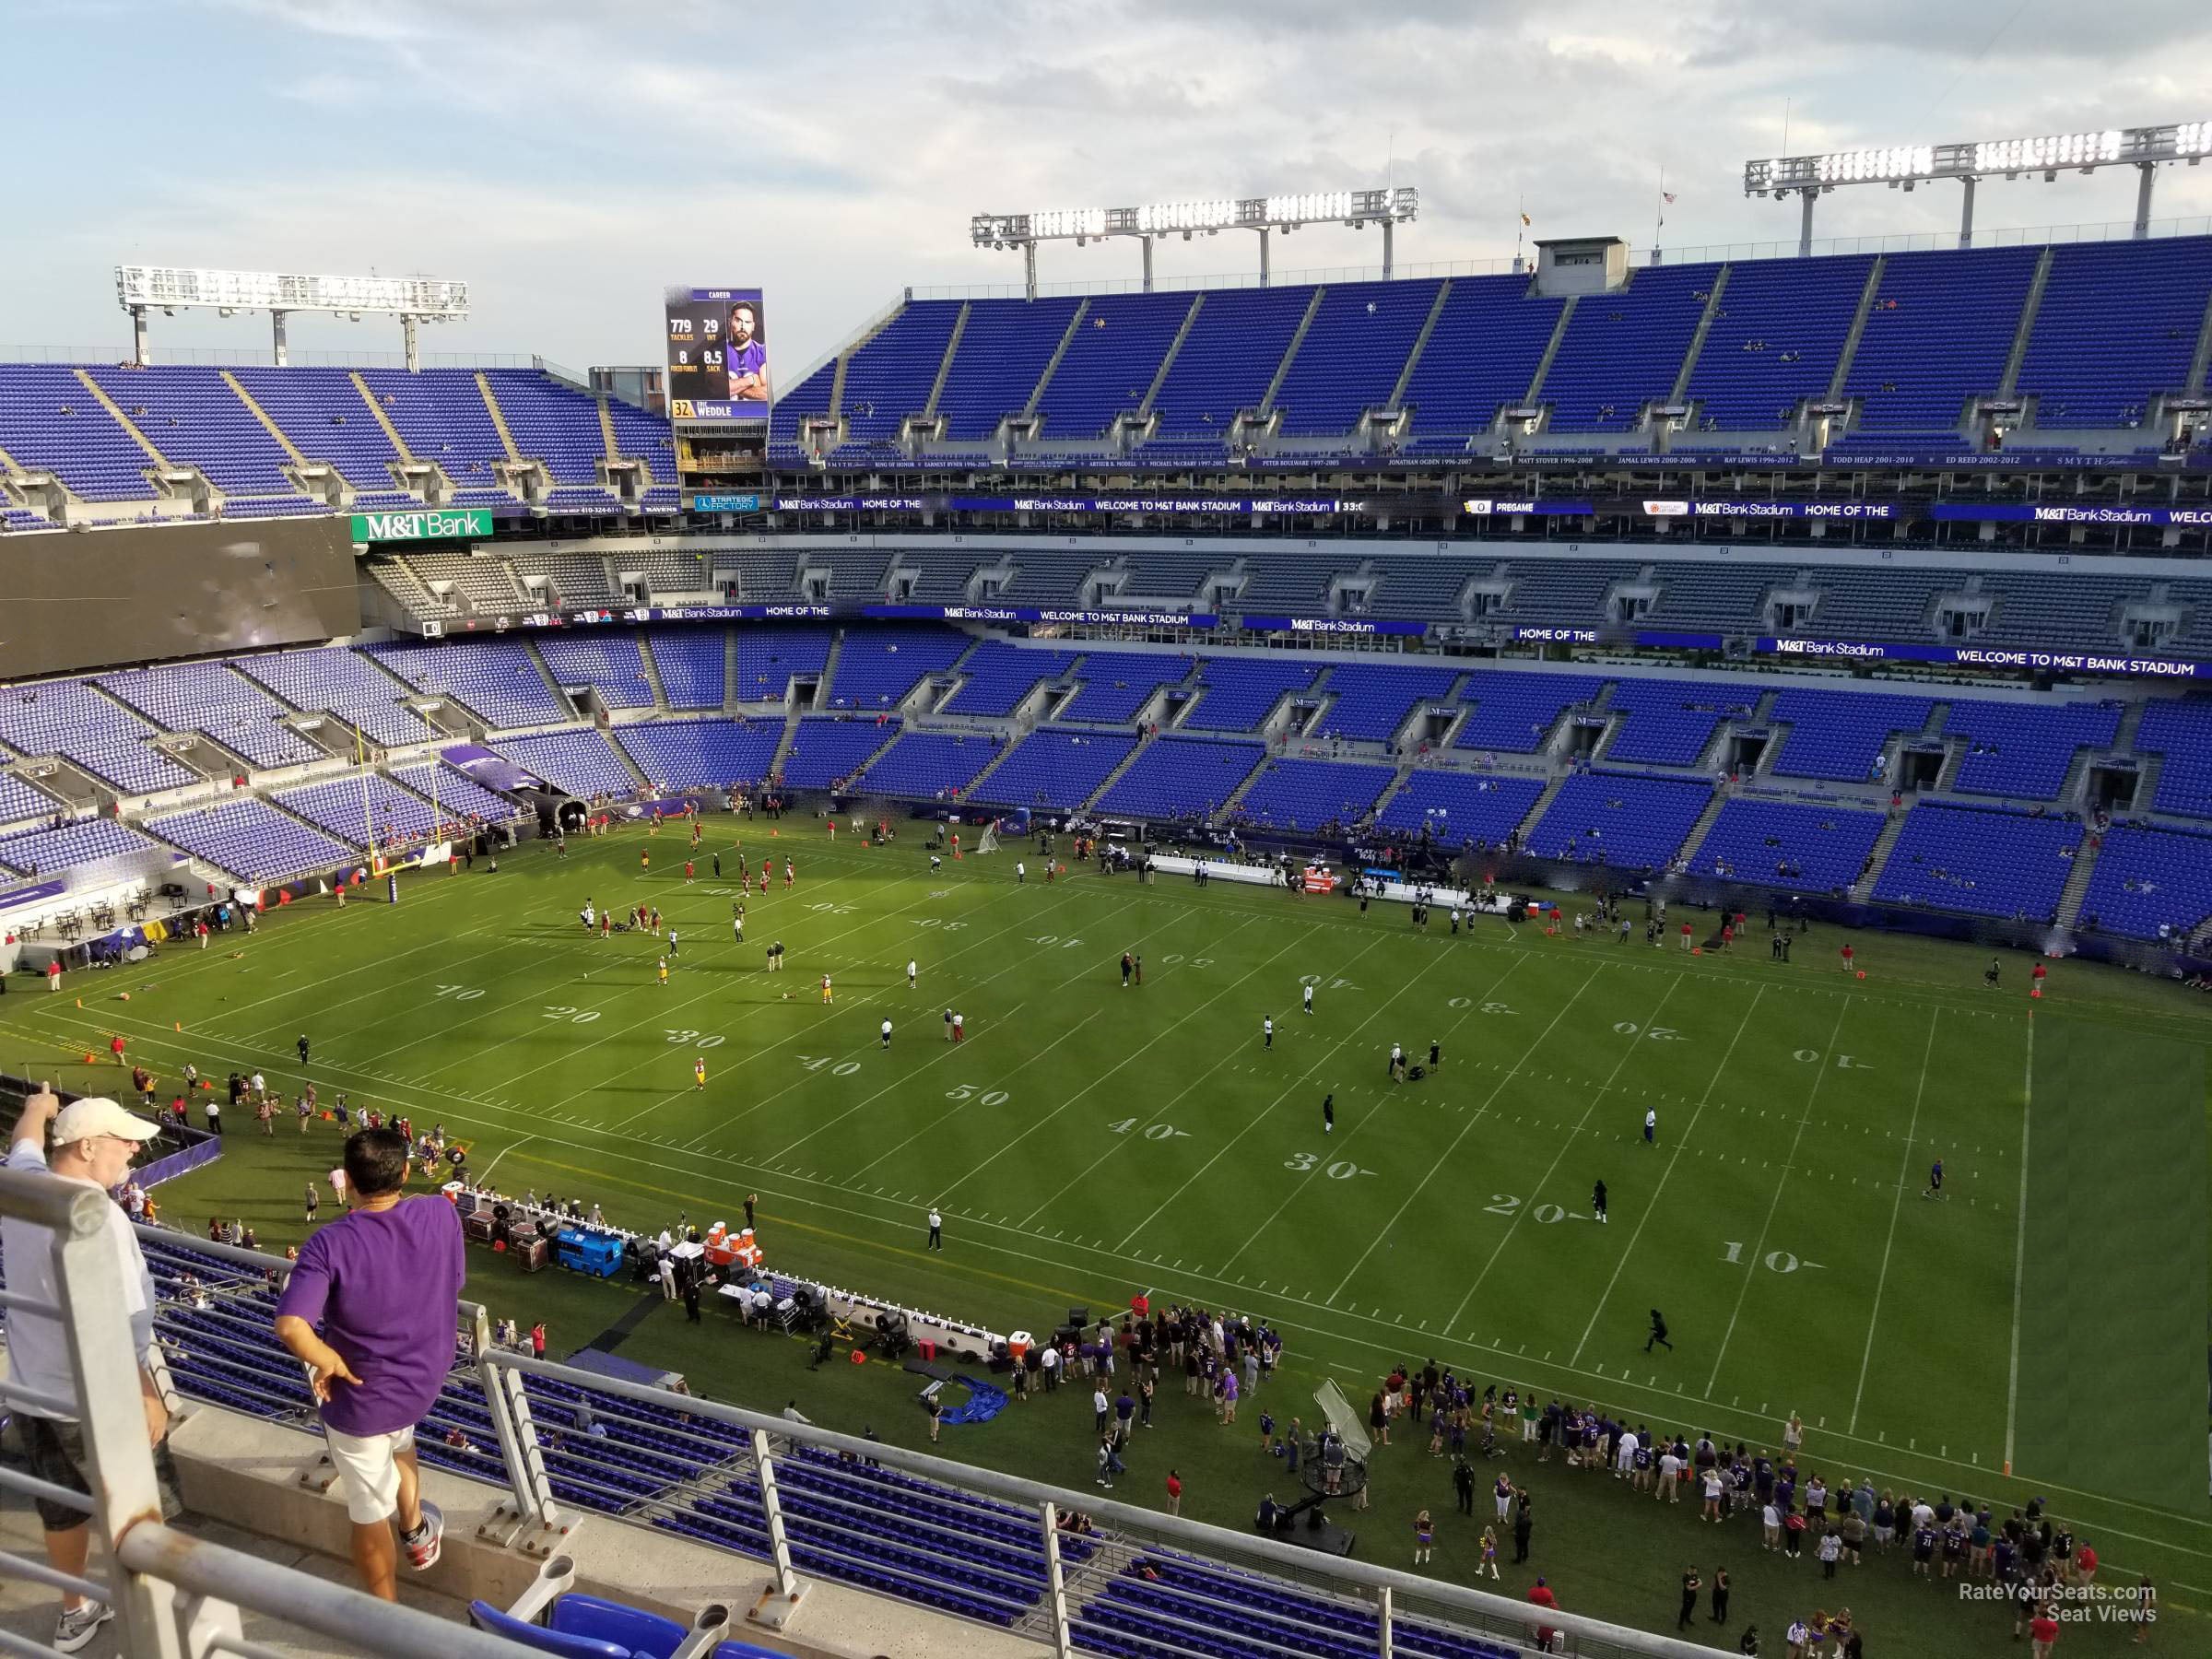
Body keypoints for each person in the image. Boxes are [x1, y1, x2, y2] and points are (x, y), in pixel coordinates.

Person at [3, 1088, 181, 1653]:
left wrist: (39, 1106)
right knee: (141, 1509)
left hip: (31, 1389)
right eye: (122, 1141)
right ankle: (150, 1624)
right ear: (85, 1147)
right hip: (96, 1398)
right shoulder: (99, 1217)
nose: (132, 1150)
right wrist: (150, 1394)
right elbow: (126, 1321)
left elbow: (24, 1143)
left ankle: (73, 1613)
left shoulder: (24, 1186)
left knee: (60, 1509)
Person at [275, 1127, 465, 1600]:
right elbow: (452, 1283)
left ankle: (388, 1621)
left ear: (349, 1183)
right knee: (402, 1440)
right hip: (423, 1379)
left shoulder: (329, 1243)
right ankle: (417, 1532)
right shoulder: (440, 1213)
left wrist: (330, 1360)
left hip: (363, 1396)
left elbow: (292, 1327)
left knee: (366, 1512)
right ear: (405, 1171)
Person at [1678, 1566, 1701, 1630]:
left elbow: (1701, 1582)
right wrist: (1697, 1586)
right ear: (1691, 1570)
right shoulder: (1686, 1577)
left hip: (1693, 1595)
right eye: (1695, 1571)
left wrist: (1695, 1587)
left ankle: (1687, 1618)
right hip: (1687, 1596)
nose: (1696, 1572)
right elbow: (1688, 1588)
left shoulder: (1694, 1575)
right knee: (1684, 1609)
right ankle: (1680, 1624)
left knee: (1691, 1607)